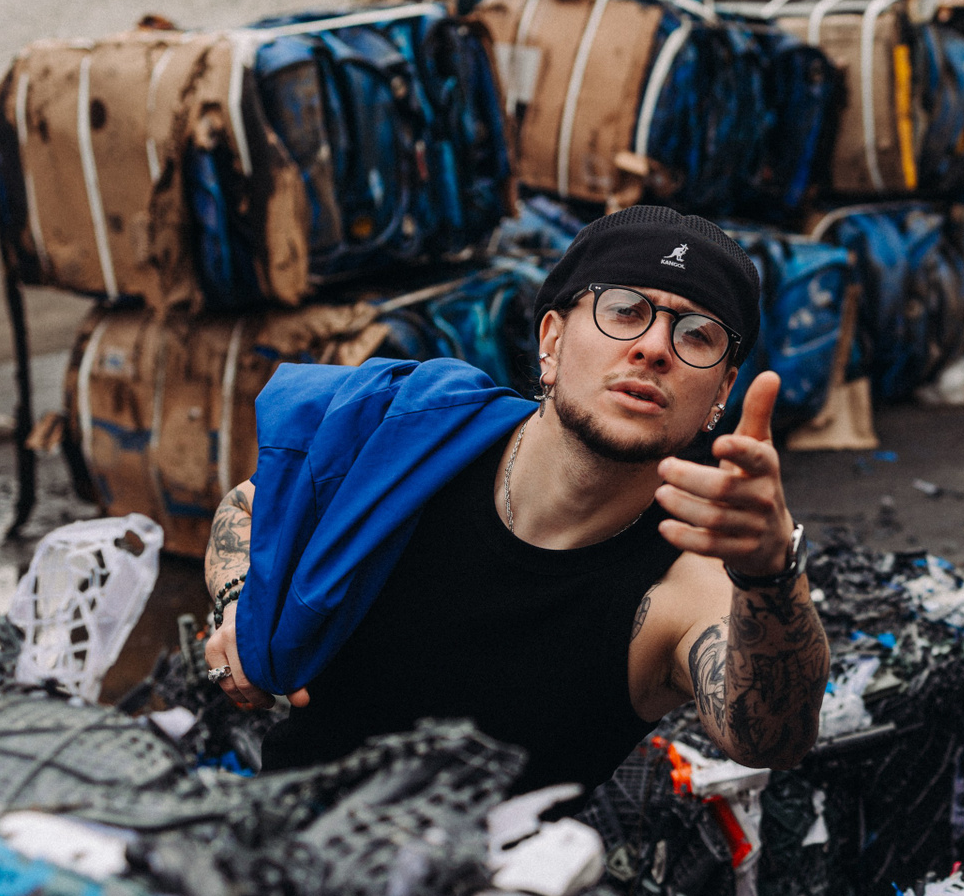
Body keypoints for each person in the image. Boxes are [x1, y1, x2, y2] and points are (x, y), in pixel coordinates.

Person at [199, 206, 827, 791]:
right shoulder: (417, 439)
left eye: (697, 335)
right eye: (624, 310)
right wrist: (238, 604)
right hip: (278, 842)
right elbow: (248, 508)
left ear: (722, 393)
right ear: (551, 339)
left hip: (493, 876)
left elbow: (772, 739)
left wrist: (772, 574)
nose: (655, 348)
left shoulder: (684, 583)